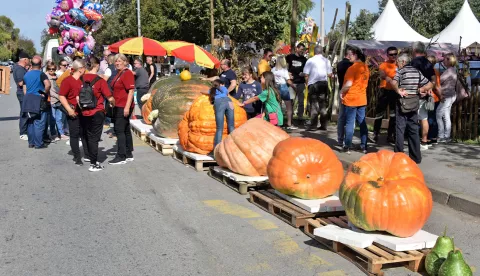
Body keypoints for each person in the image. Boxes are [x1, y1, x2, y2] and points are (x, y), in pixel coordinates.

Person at [390, 53, 433, 164]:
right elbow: (430, 84)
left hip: (402, 102)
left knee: (400, 129)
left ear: (403, 62)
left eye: (398, 62)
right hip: (414, 102)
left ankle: (399, 156)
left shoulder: (401, 71)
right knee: (413, 129)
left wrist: (398, 90)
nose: (397, 65)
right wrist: (421, 89)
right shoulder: (417, 71)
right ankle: (416, 157)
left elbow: (393, 82)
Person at [81, 57, 116, 171]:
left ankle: (88, 156)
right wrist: (113, 104)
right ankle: (94, 163)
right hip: (97, 111)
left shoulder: (81, 79)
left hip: (84, 111)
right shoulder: (100, 80)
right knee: (94, 138)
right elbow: (110, 97)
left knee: (87, 135)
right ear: (96, 66)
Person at [59, 60, 90, 166]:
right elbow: (62, 96)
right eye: (85, 67)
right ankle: (77, 157)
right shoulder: (67, 81)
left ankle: (87, 154)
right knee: (75, 134)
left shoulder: (84, 80)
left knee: (84, 133)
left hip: (84, 112)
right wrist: (69, 109)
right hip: (73, 112)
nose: (85, 69)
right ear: (80, 69)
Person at [339, 47, 369, 154]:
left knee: (350, 123)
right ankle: (364, 145)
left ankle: (347, 146)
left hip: (351, 99)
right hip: (362, 99)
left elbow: (348, 84)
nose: (349, 57)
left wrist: (341, 92)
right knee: (362, 122)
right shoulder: (365, 68)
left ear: (355, 55)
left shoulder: (352, 68)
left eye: (350, 55)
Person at [109, 54, 135, 165]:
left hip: (123, 106)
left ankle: (121, 156)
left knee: (119, 130)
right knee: (125, 129)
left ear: (125, 62)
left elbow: (131, 91)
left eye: (119, 61)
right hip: (118, 104)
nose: (117, 63)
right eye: (116, 61)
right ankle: (128, 153)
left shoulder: (127, 73)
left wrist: (127, 107)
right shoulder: (119, 73)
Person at [410, 41, 436, 151]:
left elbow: (412, 78)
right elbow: (433, 79)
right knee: (424, 118)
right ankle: (424, 141)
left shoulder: (413, 63)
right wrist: (428, 89)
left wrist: (420, 89)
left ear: (414, 50)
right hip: (426, 93)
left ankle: (415, 141)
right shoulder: (428, 63)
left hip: (416, 93)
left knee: (413, 118)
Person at [22, 56, 51, 149]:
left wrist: (28, 95)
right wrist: (43, 93)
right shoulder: (41, 74)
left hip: (28, 100)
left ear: (31, 65)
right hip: (38, 100)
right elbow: (48, 84)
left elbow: (24, 89)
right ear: (41, 65)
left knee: (30, 121)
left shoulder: (26, 75)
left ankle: (31, 142)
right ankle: (39, 143)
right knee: (39, 122)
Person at [303, 45, 332, 131]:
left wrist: (307, 84)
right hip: (323, 84)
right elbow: (330, 74)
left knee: (314, 105)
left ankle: (313, 125)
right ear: (322, 51)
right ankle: (324, 125)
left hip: (313, 84)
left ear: (314, 52)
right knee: (322, 104)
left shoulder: (310, 61)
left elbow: (306, 74)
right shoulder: (326, 61)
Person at [373, 46, 399, 143]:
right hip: (384, 91)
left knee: (393, 115)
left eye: (395, 54)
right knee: (379, 113)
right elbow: (382, 75)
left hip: (394, 92)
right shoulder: (383, 65)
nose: (393, 56)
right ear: (387, 55)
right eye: (391, 54)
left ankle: (390, 135)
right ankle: (376, 133)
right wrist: (391, 79)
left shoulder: (400, 65)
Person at [201, 79, 235, 150]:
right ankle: (234, 146)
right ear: (221, 84)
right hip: (229, 101)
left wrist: (202, 91)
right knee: (231, 126)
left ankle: (217, 149)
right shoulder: (224, 88)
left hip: (219, 103)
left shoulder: (213, 90)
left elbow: (204, 91)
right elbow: (227, 93)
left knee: (219, 128)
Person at [46, 61, 69, 141]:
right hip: (52, 100)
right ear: (47, 69)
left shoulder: (57, 76)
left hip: (58, 100)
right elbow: (50, 91)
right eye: (49, 69)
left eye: (53, 69)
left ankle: (61, 134)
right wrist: (60, 97)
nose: (51, 71)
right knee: (53, 119)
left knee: (59, 119)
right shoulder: (46, 77)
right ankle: (53, 134)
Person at [437, 53, 457, 143]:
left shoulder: (449, 71)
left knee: (438, 114)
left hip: (447, 96)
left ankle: (441, 136)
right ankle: (446, 136)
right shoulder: (452, 70)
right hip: (450, 95)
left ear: (449, 60)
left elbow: (439, 81)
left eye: (445, 59)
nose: (443, 61)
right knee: (446, 116)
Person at [336, 48, 354, 147]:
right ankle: (348, 141)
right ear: (350, 54)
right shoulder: (352, 66)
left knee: (342, 117)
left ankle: (340, 139)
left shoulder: (339, 64)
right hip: (350, 92)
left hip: (341, 90)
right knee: (350, 118)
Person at [272, 55, 295, 129]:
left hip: (276, 87)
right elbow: (288, 81)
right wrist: (294, 87)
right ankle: (289, 123)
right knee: (289, 107)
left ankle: (278, 122)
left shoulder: (273, 70)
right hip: (283, 87)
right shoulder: (284, 70)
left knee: (278, 106)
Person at [286, 43, 308, 117]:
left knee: (300, 101)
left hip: (301, 82)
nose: (302, 51)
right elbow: (285, 67)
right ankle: (290, 116)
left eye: (303, 50)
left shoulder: (304, 59)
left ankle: (300, 117)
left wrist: (304, 75)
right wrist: (287, 74)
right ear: (297, 49)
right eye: (301, 49)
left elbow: (306, 72)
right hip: (292, 82)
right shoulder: (290, 57)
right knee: (291, 100)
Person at [13, 51, 30, 140]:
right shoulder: (19, 69)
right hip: (22, 93)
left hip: (23, 93)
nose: (29, 61)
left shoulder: (21, 68)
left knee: (25, 112)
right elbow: (20, 83)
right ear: (25, 60)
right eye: (28, 59)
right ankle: (23, 133)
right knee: (24, 112)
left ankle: (26, 130)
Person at [427, 55, 443, 145]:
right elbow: (439, 85)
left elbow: (435, 86)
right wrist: (441, 96)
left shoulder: (429, 72)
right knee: (433, 117)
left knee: (429, 117)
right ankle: (434, 136)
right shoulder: (436, 71)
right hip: (436, 97)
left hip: (431, 96)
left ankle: (429, 137)